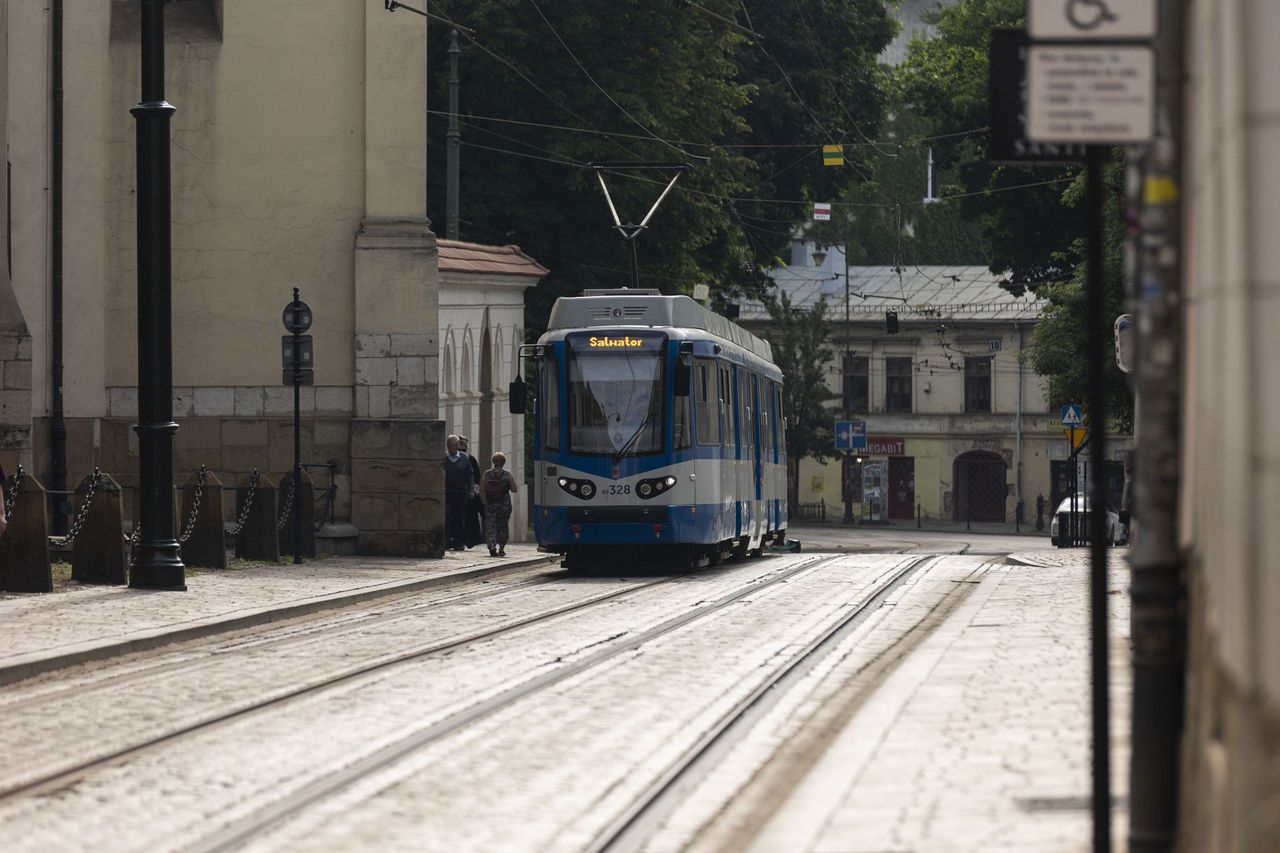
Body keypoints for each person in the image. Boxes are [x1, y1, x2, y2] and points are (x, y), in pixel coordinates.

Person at [480, 451, 518, 557]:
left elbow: (482, 489)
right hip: (504, 503)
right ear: (504, 462)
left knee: (490, 525)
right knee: (503, 526)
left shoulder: (487, 473)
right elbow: (514, 489)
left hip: (490, 503)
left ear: (493, 461)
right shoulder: (507, 473)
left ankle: (492, 546)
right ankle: (501, 548)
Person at [443, 434, 473, 551]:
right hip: (447, 491)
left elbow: (470, 475)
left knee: (459, 518)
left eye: (455, 445)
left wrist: (471, 488)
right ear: (447, 446)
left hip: (460, 492)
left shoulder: (465, 458)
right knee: (447, 517)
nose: (453, 448)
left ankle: (458, 542)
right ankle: (446, 541)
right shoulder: (444, 458)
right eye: (451, 445)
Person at [458, 435, 484, 548]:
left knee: (470, 516)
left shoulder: (471, 459)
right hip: (458, 491)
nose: (462, 448)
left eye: (464, 446)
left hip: (468, 492)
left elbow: (477, 477)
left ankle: (470, 538)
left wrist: (473, 490)